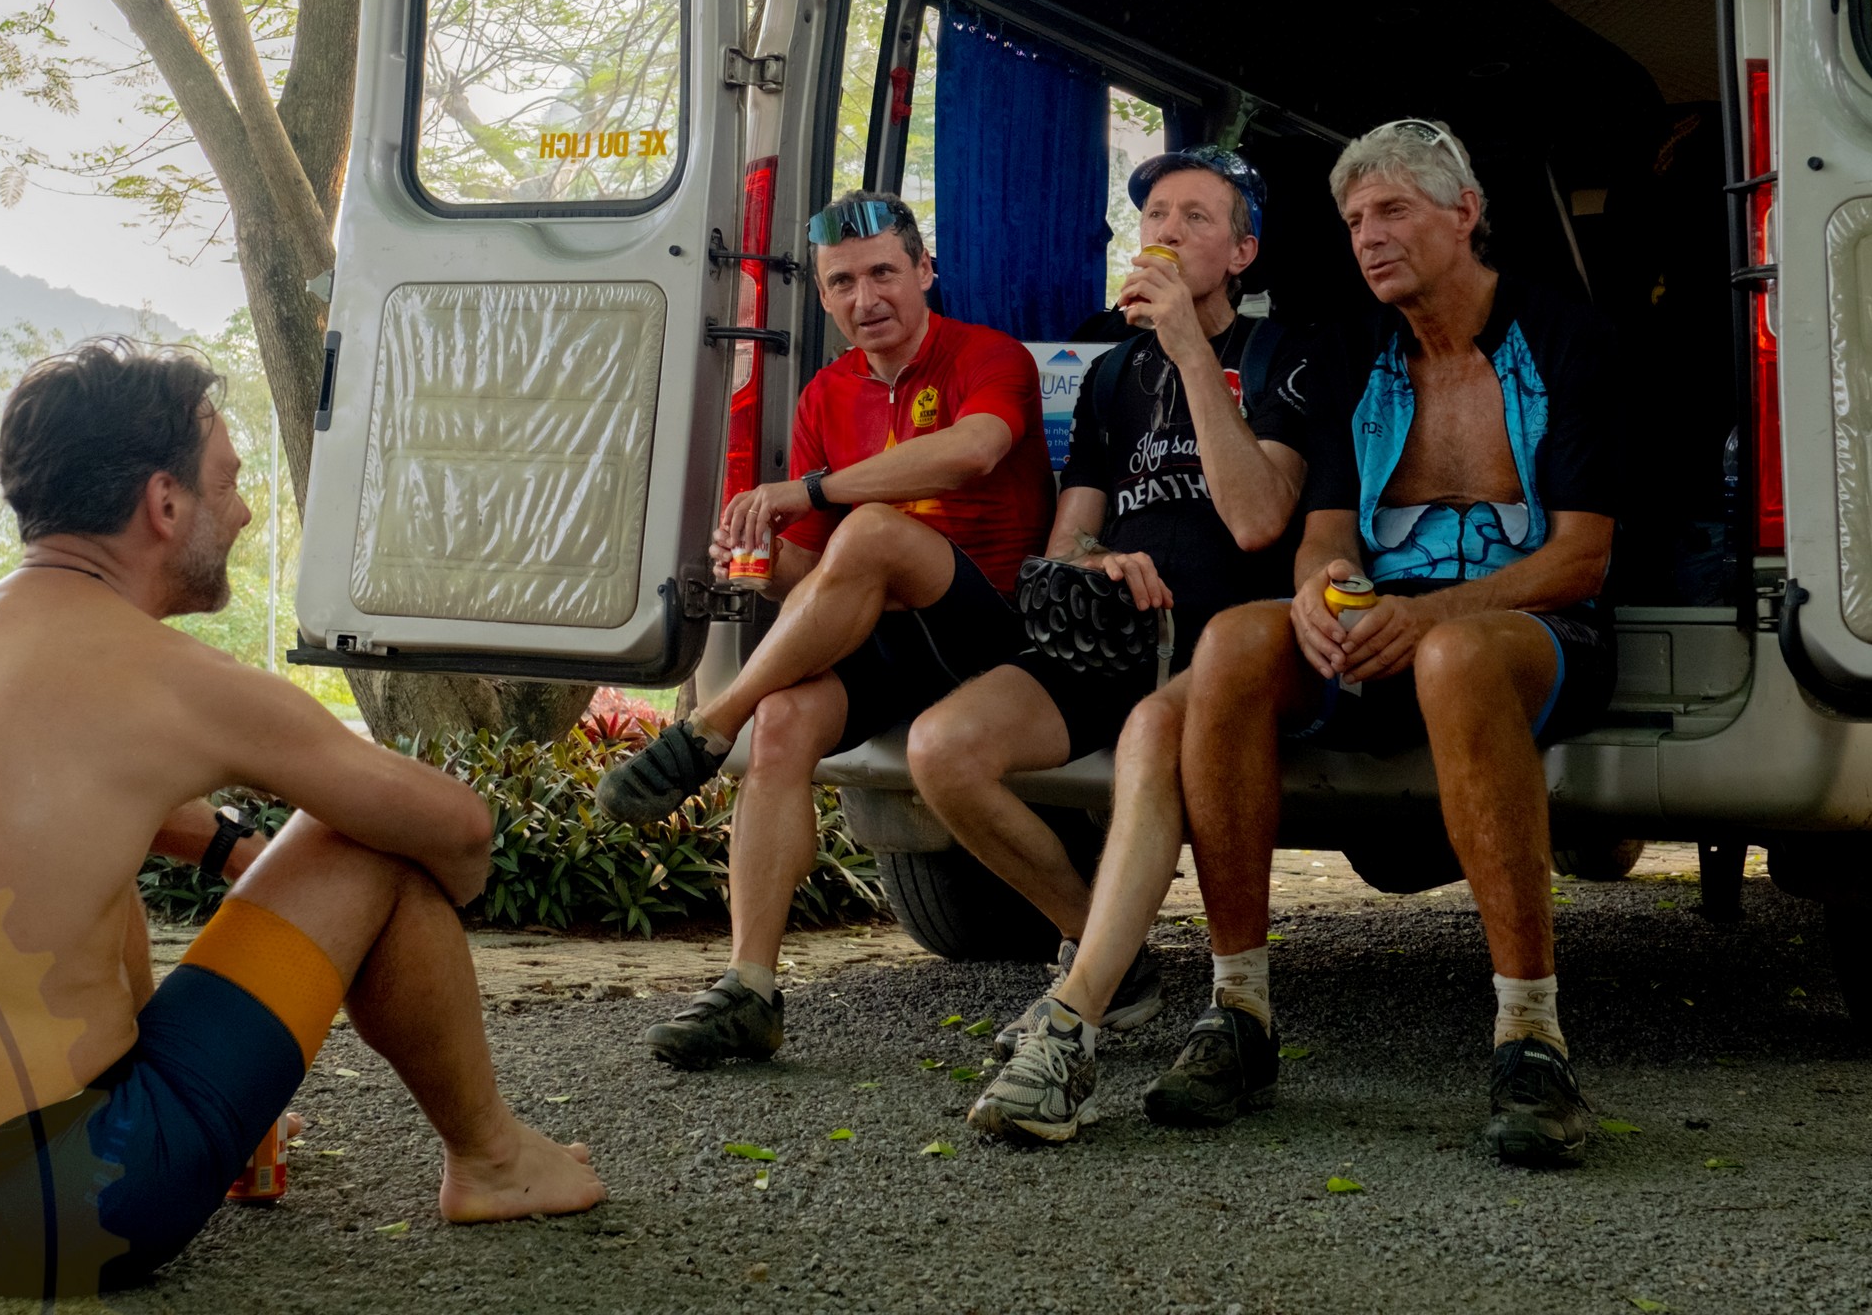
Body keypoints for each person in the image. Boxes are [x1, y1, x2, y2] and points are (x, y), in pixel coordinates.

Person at [0, 341, 603, 1300]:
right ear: (163, 503)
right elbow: (458, 827)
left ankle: (174, 1095)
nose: (244, 509)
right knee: (365, 833)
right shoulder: (164, 677)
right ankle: (495, 1159)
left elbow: (72, 824)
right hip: (71, 1205)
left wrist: (230, 849)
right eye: (226, 481)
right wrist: (441, 890)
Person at [1152, 119, 1620, 1167]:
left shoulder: (1560, 334)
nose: (1367, 237)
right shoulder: (1349, 349)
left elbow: (1581, 557)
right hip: (1388, 622)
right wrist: (1325, 589)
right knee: (1232, 643)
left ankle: (1530, 1037)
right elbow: (1324, 534)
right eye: (1354, 219)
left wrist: (1433, 618)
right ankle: (1235, 1014)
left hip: (1531, 628)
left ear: (1464, 214)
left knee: (1454, 656)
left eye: (1392, 211)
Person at [593, 191, 1053, 1068]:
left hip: (990, 638)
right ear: (826, 299)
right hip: (886, 639)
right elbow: (818, 575)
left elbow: (975, 452)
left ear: (926, 272)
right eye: (842, 282)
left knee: (874, 532)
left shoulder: (988, 356)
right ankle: (749, 990)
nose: (864, 296)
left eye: (884, 271)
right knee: (782, 725)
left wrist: (808, 495)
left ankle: (705, 725)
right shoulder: (824, 393)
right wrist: (756, 554)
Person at [961, 148, 1320, 1143]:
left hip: (1224, 647)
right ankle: (1113, 958)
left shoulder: (1285, 352)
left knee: (1156, 730)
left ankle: (1071, 1018)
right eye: (1154, 213)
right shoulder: (1113, 372)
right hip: (1114, 640)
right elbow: (1066, 540)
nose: (1165, 230)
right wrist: (1097, 559)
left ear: (1242, 250)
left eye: (1196, 217)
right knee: (944, 750)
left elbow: (1256, 520)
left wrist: (1194, 355)